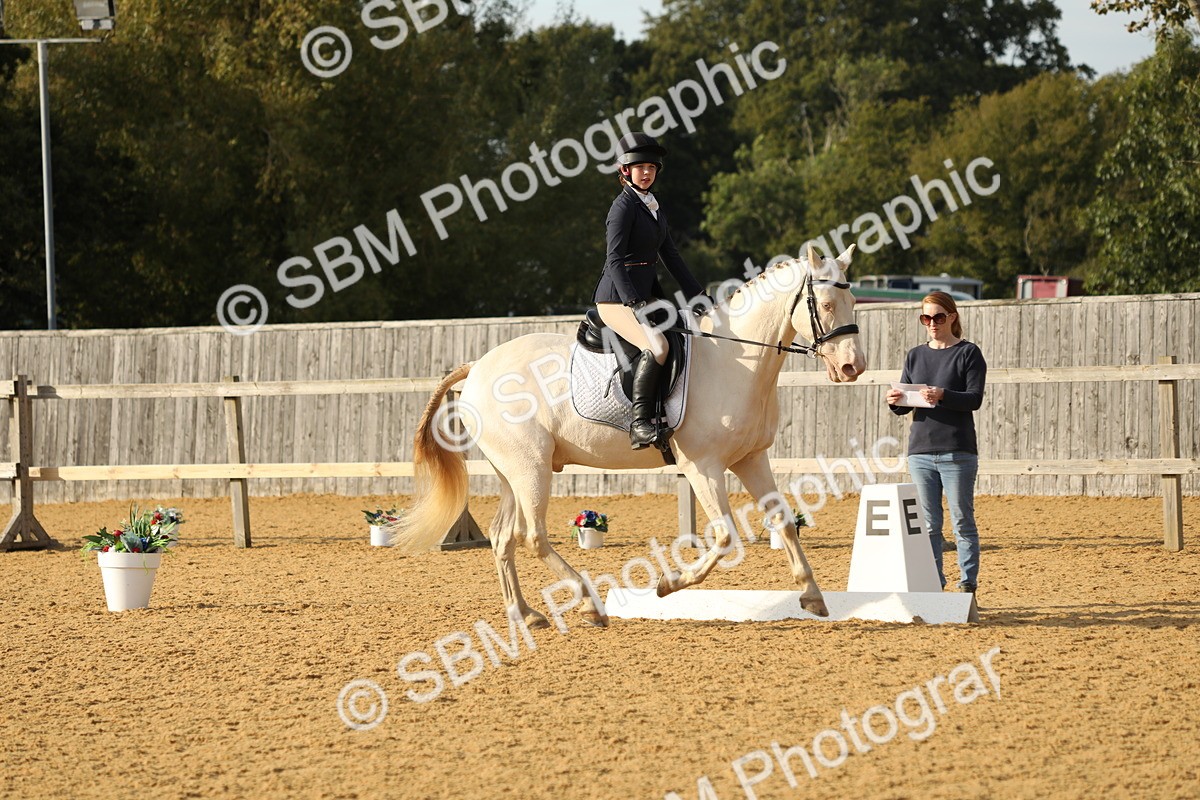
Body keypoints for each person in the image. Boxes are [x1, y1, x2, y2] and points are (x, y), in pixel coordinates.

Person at [592, 132, 707, 449]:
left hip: (645, 296)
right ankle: (640, 424)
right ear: (625, 170)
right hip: (615, 298)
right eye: (640, 167)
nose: (646, 172)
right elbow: (614, 260)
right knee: (657, 347)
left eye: (652, 167)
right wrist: (633, 300)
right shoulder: (623, 207)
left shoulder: (653, 207)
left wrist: (699, 295)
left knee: (684, 335)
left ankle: (667, 412)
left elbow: (672, 257)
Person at [886, 291, 987, 594]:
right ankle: (934, 585)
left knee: (962, 521)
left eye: (938, 317)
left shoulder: (969, 353)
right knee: (929, 525)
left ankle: (967, 585)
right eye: (926, 318)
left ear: (952, 317)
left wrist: (943, 395)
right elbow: (905, 404)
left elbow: (974, 399)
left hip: (957, 450)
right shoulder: (915, 355)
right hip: (920, 451)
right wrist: (894, 401)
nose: (932, 323)